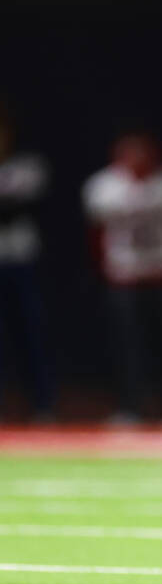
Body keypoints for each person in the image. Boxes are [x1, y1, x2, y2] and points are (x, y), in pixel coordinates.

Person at [82, 128, 162, 423]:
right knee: (126, 347)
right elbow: (96, 237)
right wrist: (106, 272)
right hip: (124, 278)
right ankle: (129, 407)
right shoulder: (104, 186)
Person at [0, 100, 55, 421]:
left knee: (30, 334)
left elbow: (21, 210)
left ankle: (43, 405)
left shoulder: (27, 166)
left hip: (21, 261)